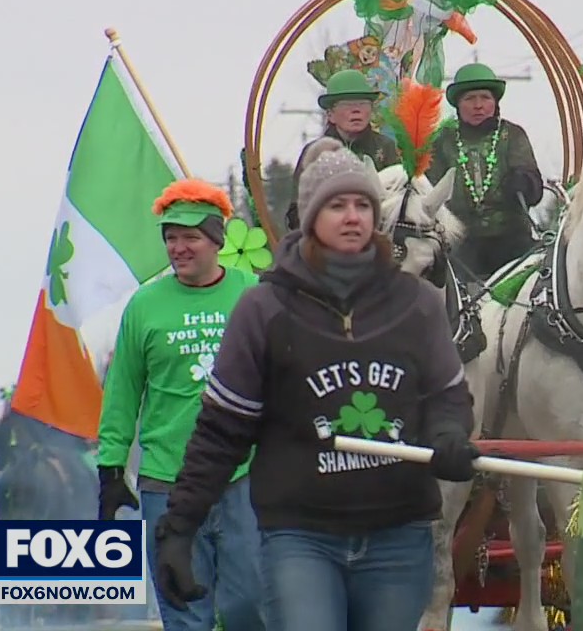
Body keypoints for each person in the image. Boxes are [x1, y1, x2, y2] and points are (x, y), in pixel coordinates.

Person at [155, 149, 478, 631]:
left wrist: (449, 436)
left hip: (398, 535)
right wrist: (178, 528)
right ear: (309, 216)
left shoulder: (419, 305)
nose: (353, 216)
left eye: (363, 206)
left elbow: (447, 397)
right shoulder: (263, 310)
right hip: (300, 537)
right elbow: (221, 432)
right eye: (337, 205)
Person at [96, 179, 265, 631]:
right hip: (165, 482)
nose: (178, 247)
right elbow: (123, 391)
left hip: (243, 478)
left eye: (190, 236)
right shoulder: (145, 306)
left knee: (250, 608)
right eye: (171, 237)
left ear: (216, 240)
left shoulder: (253, 293)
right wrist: (111, 465)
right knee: (185, 615)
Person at [425, 63, 545, 280]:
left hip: (510, 237)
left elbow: (533, 185)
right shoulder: (443, 141)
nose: (478, 105)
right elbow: (430, 193)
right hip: (460, 241)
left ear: (495, 102)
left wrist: (525, 182)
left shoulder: (513, 135)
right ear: (458, 105)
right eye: (470, 99)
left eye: (485, 98)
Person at [286, 69, 398, 230]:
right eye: (347, 104)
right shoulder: (315, 153)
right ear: (330, 115)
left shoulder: (385, 147)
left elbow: (398, 201)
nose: (356, 110)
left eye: (363, 103)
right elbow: (297, 210)